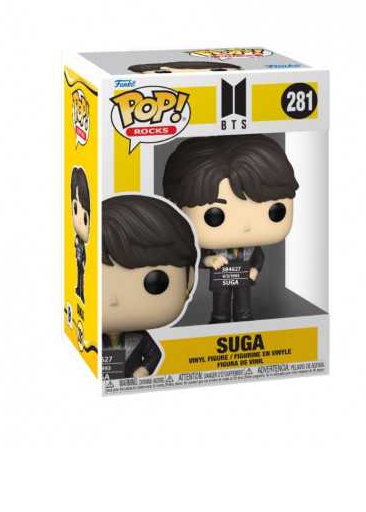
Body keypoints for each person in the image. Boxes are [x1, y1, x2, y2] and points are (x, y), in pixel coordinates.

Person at [163, 134, 298, 323]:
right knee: (221, 302)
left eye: (275, 211)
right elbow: (197, 259)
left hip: (243, 279)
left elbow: (259, 257)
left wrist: (255, 270)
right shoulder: (213, 247)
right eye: (214, 216)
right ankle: (220, 318)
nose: (246, 227)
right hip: (221, 281)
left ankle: (244, 317)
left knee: (244, 302)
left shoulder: (251, 248)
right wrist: (209, 260)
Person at [102, 195, 197, 378]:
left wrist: (144, 369)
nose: (113, 300)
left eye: (155, 282)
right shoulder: (93, 341)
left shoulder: (140, 338)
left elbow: (155, 354)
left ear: (189, 280)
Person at [71, 167, 90, 304]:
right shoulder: (78, 239)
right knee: (80, 275)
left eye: (85, 218)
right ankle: (80, 290)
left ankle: (81, 292)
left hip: (81, 262)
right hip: (79, 262)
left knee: (81, 275)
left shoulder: (81, 241)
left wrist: (83, 261)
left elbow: (83, 253)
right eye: (75, 209)